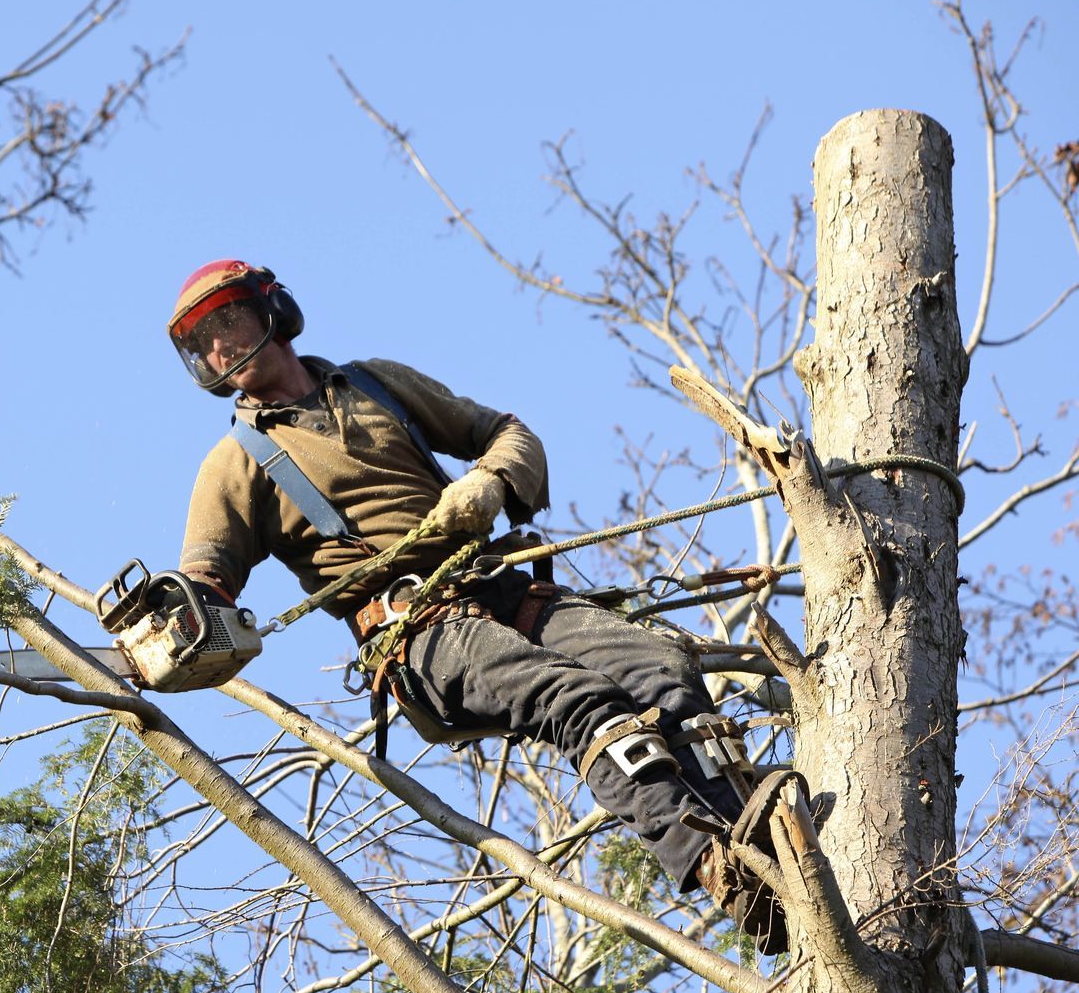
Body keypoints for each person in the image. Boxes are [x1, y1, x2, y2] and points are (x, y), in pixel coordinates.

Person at [167, 259, 785, 953]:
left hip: (502, 589)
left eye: (227, 323)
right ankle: (711, 862)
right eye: (202, 341)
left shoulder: (374, 382)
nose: (219, 348)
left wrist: (490, 482)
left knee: (657, 666)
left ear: (273, 311)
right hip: (416, 631)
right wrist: (166, 634)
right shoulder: (235, 462)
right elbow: (205, 579)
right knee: (577, 698)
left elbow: (509, 431)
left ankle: (764, 859)